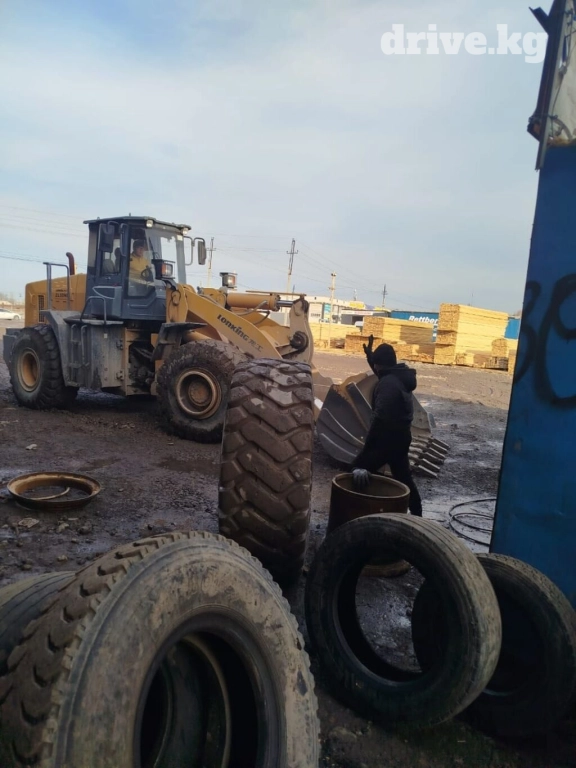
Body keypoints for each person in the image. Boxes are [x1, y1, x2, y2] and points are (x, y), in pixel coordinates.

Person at [350, 337, 423, 516]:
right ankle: (417, 515)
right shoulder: (399, 376)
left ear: (380, 365)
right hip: (401, 437)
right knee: (404, 479)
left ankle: (356, 513)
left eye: (375, 364)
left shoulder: (388, 385)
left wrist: (368, 448)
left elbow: (380, 419)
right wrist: (370, 357)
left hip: (386, 439)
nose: (374, 368)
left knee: (356, 471)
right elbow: (382, 373)